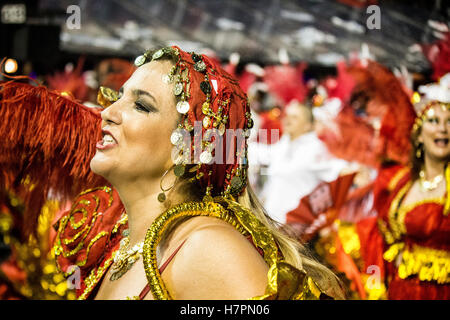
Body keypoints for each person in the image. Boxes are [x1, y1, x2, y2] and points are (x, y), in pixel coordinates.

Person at [44, 47, 345, 300]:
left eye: (141, 105)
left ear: (187, 147)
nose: (107, 112)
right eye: (117, 97)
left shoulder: (206, 247)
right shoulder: (117, 242)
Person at [356, 76, 450, 299]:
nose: (443, 129)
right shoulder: (400, 183)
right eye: (434, 121)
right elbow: (383, 238)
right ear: (418, 135)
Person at [249, 100, 349, 224]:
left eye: (295, 117)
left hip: (296, 230)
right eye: (288, 116)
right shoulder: (284, 144)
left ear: (307, 125)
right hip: (272, 226)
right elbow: (263, 153)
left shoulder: (316, 149)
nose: (288, 120)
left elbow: (342, 170)